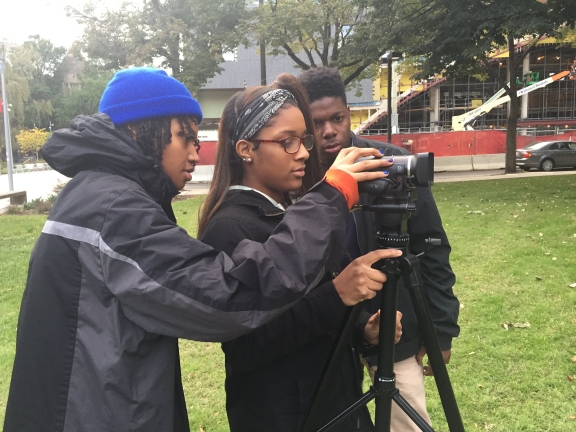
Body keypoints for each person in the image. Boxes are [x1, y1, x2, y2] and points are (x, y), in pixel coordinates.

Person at [3, 67, 394, 432]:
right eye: (186, 136)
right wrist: (330, 196)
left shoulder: (101, 194)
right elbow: (231, 296)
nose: (196, 152)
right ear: (144, 130)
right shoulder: (115, 208)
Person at [198, 73, 403, 431]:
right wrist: (338, 296)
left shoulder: (294, 214)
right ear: (246, 149)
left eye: (303, 140)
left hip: (336, 404)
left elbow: (310, 315)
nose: (305, 152)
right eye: (288, 142)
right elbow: (246, 346)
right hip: (285, 415)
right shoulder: (229, 227)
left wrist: (360, 331)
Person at [298, 67, 461, 431]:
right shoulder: (298, 174)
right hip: (329, 333)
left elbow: (432, 249)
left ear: (348, 114)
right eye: (317, 122)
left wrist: (442, 330)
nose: (329, 131)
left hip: (396, 325)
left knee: (407, 423)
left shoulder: (392, 165)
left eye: (338, 118)